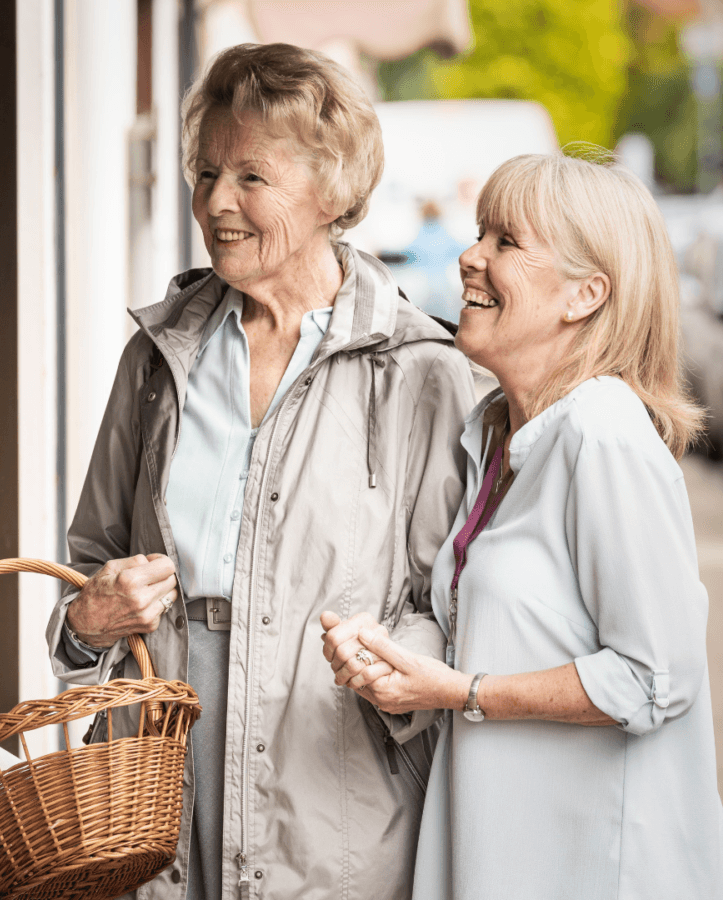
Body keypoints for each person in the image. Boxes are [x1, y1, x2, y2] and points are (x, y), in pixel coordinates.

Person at [46, 42, 475, 900]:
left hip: (326, 786)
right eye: (205, 173)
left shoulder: (420, 369)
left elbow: (453, 609)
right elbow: (88, 563)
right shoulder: (157, 360)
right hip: (155, 776)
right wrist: (86, 623)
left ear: (333, 190)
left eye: (251, 177)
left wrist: (392, 668)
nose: (214, 203)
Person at [322, 151, 723, 899]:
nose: (471, 257)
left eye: (506, 242)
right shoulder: (495, 433)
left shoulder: (601, 432)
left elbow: (653, 677)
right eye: (481, 234)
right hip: (505, 861)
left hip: (601, 873)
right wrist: (400, 664)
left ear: (584, 295)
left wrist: (461, 691)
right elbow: (505, 632)